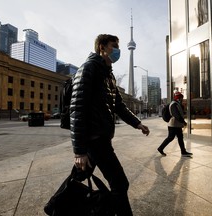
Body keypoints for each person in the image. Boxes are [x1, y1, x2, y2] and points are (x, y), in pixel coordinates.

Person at [70, 34, 150, 216]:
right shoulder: (89, 68)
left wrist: (138, 123)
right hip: (94, 139)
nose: (117, 51)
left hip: (101, 138)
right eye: (114, 46)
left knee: (77, 179)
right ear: (102, 47)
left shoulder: (109, 75)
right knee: (120, 184)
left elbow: (119, 106)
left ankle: (59, 206)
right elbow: (77, 109)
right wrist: (79, 151)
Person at [157, 91, 192, 157]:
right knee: (170, 138)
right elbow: (176, 115)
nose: (182, 99)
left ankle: (183, 151)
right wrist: (183, 122)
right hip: (173, 125)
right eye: (181, 98)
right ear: (179, 98)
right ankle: (160, 148)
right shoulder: (174, 104)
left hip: (177, 125)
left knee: (180, 138)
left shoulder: (177, 104)